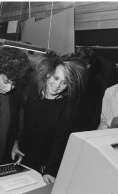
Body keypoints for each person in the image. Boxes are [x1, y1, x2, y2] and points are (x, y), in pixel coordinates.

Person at [12, 53, 86, 184]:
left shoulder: (67, 108)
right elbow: (19, 125)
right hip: (20, 160)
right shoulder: (31, 95)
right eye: (56, 78)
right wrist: (15, 143)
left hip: (43, 169)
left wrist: (50, 170)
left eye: (64, 83)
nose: (58, 85)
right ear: (48, 74)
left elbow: (60, 143)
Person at [73, 47, 116, 131]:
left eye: (83, 65)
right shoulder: (72, 66)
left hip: (94, 109)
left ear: (88, 66)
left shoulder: (101, 77)